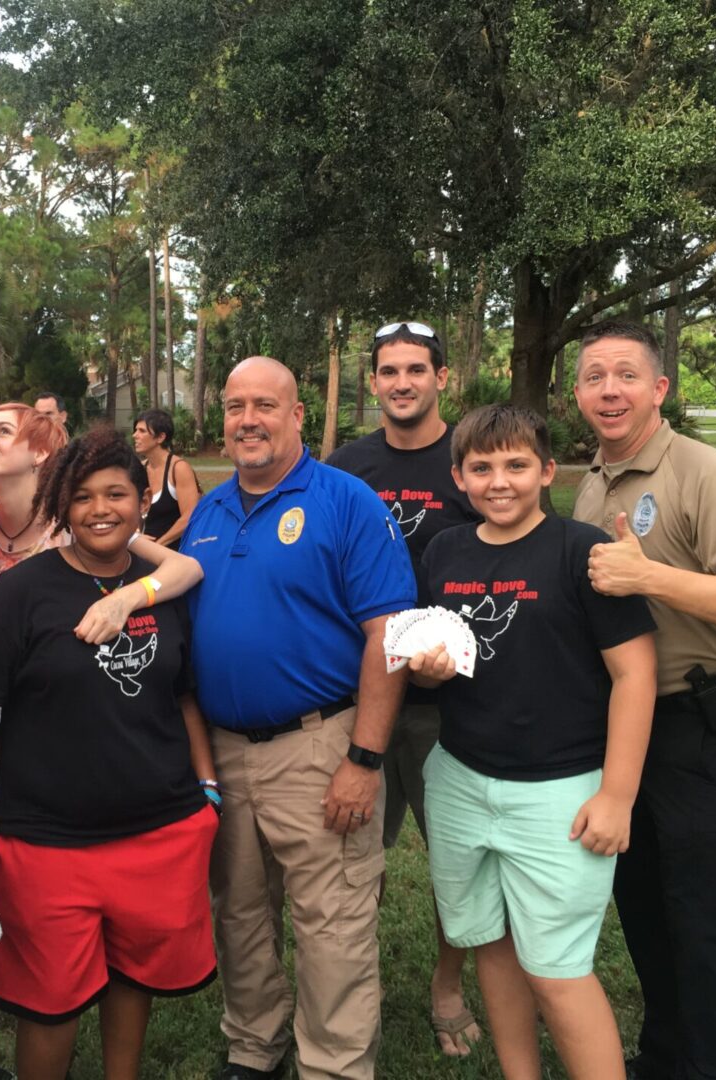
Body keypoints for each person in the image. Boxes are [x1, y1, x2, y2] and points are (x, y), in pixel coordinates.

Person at [0, 429, 220, 1080]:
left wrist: (207, 789)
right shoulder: (21, 596)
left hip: (158, 828)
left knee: (135, 978)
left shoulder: (164, 589)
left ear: (140, 502)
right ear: (60, 506)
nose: (101, 509)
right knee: (49, 1003)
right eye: (82, 497)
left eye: (117, 494)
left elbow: (185, 696)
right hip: (45, 840)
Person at [571, 321, 716, 1080]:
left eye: (627, 375)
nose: (610, 390)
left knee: (706, 925)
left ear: (660, 388)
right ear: (578, 394)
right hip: (631, 730)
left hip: (709, 726)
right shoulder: (595, 481)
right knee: (646, 912)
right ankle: (668, 1057)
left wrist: (652, 578)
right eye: (594, 376)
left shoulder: (705, 472)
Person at [182, 356, 415, 1080]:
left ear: (297, 416)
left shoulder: (346, 501)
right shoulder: (211, 511)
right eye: (234, 405)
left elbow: (389, 635)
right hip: (225, 751)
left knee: (332, 923)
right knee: (240, 913)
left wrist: (364, 759)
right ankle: (255, 1048)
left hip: (319, 747)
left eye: (263, 405)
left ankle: (335, 1066)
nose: (247, 420)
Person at [408, 404, 657, 1080]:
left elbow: (635, 674)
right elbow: (444, 654)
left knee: (557, 970)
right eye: (482, 467)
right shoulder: (444, 552)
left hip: (560, 791)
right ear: (458, 477)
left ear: (547, 470)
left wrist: (617, 794)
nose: (500, 481)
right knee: (489, 941)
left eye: (517, 465)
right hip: (461, 776)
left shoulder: (581, 551)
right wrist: (428, 666)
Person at [325, 320, 482, 1055]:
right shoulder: (348, 465)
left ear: (441, 378)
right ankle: (359, 987)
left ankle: (447, 985)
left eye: (416, 369)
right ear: (375, 381)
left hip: (452, 701)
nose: (401, 383)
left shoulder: (472, 459)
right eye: (388, 371)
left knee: (454, 856)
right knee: (357, 858)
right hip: (360, 696)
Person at [133, 408, 201, 549]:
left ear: (160, 437)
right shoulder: (140, 467)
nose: (135, 435)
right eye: (135, 430)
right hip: (143, 553)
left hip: (175, 554)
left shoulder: (179, 468)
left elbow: (189, 516)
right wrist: (135, 535)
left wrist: (158, 546)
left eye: (142, 431)